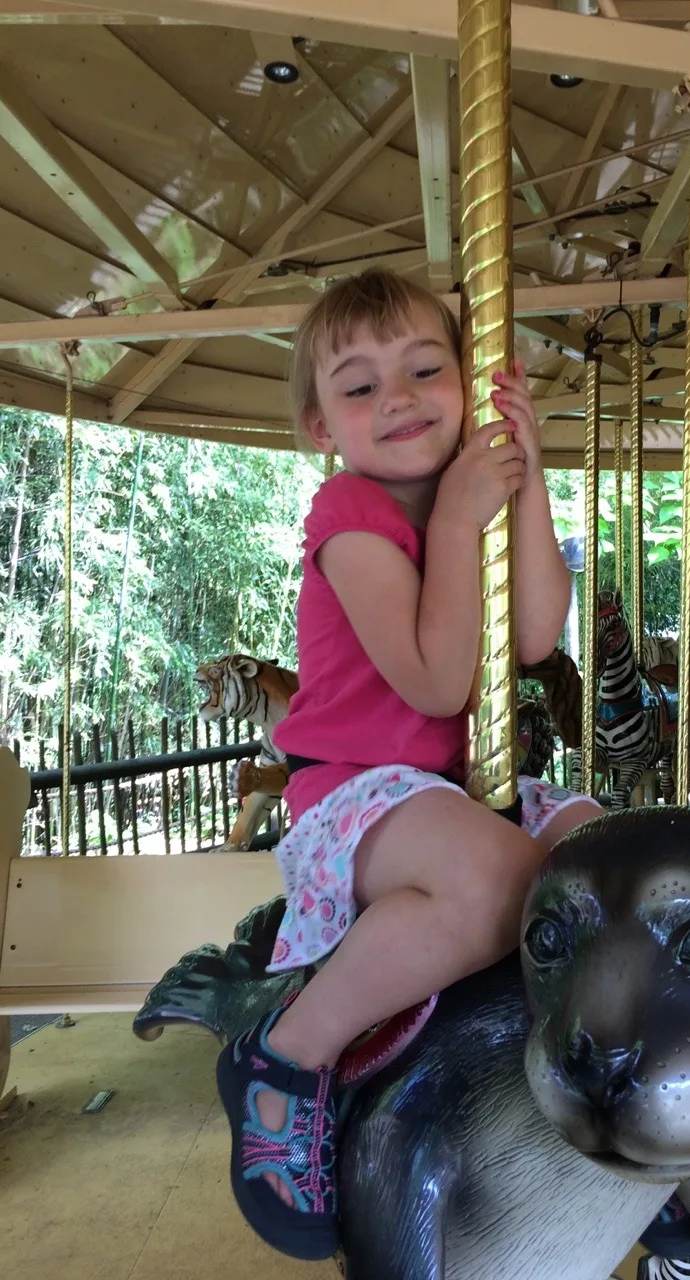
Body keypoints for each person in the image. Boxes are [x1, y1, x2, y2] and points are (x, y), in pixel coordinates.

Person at [216, 268, 602, 1261]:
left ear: (470, 385)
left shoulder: (460, 497)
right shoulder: (349, 517)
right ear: (320, 426)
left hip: (445, 786)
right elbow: (436, 680)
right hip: (356, 789)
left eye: (425, 368)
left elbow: (536, 635)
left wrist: (527, 475)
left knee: (611, 859)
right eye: (359, 385)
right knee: (501, 882)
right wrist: (455, 519)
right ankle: (289, 1052)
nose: (396, 396)